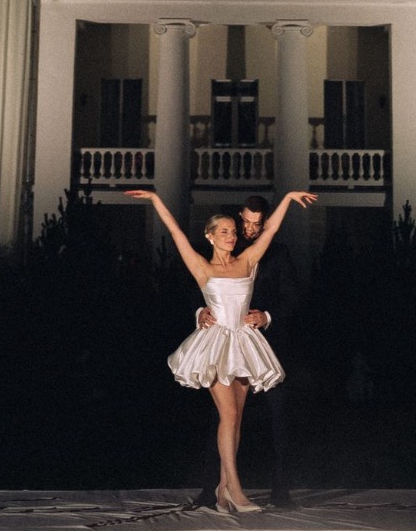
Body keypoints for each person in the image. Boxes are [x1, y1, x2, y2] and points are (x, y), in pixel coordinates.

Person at [125, 186, 316, 514]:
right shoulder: (201, 266)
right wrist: (156, 199)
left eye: (232, 231)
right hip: (216, 346)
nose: (231, 236)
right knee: (227, 415)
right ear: (210, 235)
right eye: (224, 231)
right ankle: (236, 490)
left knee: (236, 418)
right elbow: (176, 232)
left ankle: (222, 490)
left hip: (244, 344)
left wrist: (286, 199)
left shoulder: (247, 261)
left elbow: (271, 229)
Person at [191, 195, 299, 510]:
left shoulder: (276, 252)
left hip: (266, 348)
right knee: (224, 417)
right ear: (240, 217)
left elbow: (293, 297)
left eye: (257, 224)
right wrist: (200, 312)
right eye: (246, 222)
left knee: (278, 417)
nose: (250, 229)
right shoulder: (226, 244)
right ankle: (213, 490)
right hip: (226, 347)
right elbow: (200, 286)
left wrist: (266, 316)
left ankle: (280, 490)